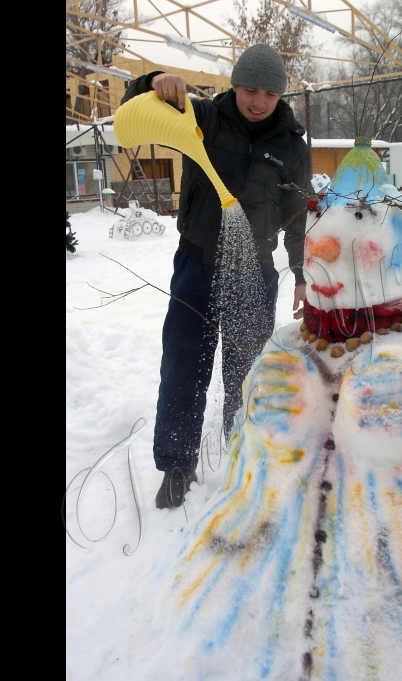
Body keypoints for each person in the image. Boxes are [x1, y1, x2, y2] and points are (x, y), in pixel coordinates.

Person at [120, 44, 311, 509]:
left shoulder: (290, 144)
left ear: (280, 95)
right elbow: (133, 108)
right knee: (184, 364)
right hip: (197, 263)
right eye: (250, 89)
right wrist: (154, 81)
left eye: (269, 92)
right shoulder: (203, 116)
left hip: (255, 268)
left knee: (247, 367)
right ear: (234, 84)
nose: (258, 101)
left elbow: (297, 214)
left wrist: (301, 275)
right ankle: (178, 463)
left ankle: (241, 444)